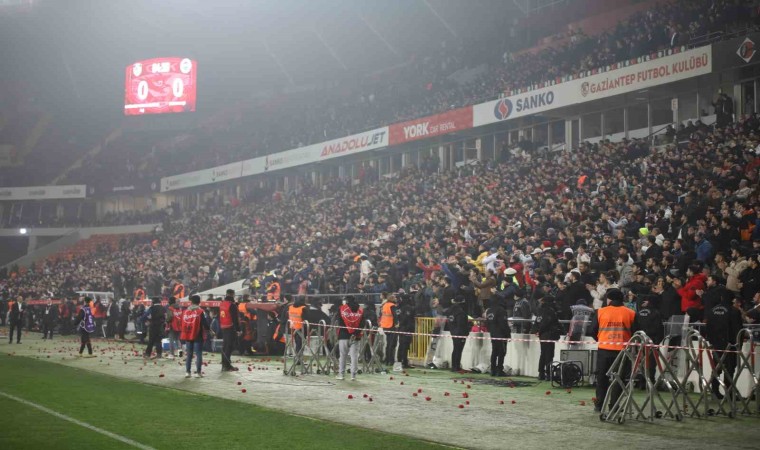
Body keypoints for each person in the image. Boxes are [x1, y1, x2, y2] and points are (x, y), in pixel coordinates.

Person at [590, 288, 638, 413]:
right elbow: (635, 333)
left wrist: (601, 339)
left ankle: (599, 405)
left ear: (609, 299)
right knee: (619, 379)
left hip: (604, 350)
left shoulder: (600, 311)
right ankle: (614, 406)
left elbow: (592, 330)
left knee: (602, 378)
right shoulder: (631, 313)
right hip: (623, 351)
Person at [703, 290, 743, 399]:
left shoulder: (712, 311)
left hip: (716, 344)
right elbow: (738, 330)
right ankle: (729, 392)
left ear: (721, 298)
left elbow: (708, 328)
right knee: (729, 369)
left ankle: (715, 391)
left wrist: (711, 341)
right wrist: (738, 345)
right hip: (730, 344)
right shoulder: (734, 311)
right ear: (732, 299)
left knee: (716, 368)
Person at [336, 296, 365, 381]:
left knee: (343, 356)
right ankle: (353, 376)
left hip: (343, 335)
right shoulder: (360, 310)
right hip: (356, 336)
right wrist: (355, 333)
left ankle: (341, 374)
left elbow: (340, 322)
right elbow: (362, 324)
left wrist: (347, 332)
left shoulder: (342, 308)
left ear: (347, 301)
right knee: (354, 356)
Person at [181, 295, 209, 378]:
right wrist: (209, 330)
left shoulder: (185, 311)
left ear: (191, 302)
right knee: (198, 354)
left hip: (188, 334)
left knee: (189, 354)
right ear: (199, 302)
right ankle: (198, 372)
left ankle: (187, 372)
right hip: (198, 335)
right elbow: (205, 323)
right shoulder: (200, 311)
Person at [534, 296, 560, 381]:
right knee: (549, 355)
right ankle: (548, 374)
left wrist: (537, 331)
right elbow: (547, 323)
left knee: (543, 354)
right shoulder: (550, 311)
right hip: (549, 335)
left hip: (542, 336)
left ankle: (541, 373)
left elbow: (537, 322)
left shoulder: (540, 311)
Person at [485, 296, 510, 377]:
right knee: (501, 353)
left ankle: (493, 370)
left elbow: (487, 323)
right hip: (501, 335)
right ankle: (499, 370)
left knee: (494, 352)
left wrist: (491, 331)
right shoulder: (501, 310)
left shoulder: (489, 311)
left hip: (493, 334)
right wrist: (508, 334)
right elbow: (504, 324)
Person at [219, 290, 240, 371]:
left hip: (223, 326)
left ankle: (224, 364)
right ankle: (227, 365)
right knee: (229, 346)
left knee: (225, 346)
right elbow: (235, 318)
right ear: (233, 294)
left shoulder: (222, 303)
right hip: (230, 327)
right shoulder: (232, 305)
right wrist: (238, 329)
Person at [447, 296, 469, 372]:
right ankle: (456, 366)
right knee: (458, 350)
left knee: (455, 349)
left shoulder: (450, 310)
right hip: (460, 333)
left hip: (453, 332)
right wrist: (465, 333)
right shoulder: (460, 312)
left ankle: (454, 366)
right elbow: (462, 324)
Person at [396, 293, 416, 369]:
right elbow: (407, 318)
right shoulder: (409, 308)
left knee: (401, 345)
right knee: (405, 346)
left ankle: (399, 361)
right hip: (407, 329)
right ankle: (404, 362)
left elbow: (397, 317)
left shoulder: (398, 307)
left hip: (401, 328)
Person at [379, 293, 399, 367]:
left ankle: (387, 360)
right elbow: (395, 315)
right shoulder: (392, 305)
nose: (396, 299)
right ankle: (390, 360)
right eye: (394, 298)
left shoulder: (385, 305)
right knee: (391, 344)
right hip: (391, 326)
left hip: (385, 326)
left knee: (388, 344)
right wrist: (396, 323)